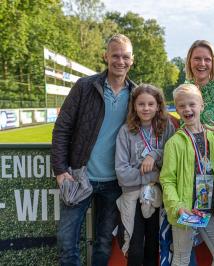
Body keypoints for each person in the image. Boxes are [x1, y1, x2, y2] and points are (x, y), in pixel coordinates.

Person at [51, 33, 136, 265]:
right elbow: (62, 128)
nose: (120, 61)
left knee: (103, 242)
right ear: (105, 56)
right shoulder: (85, 86)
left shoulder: (136, 94)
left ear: (132, 59)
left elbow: (150, 131)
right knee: (66, 240)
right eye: (115, 55)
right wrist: (60, 170)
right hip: (80, 177)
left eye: (125, 56)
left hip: (115, 182)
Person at [159, 84, 214, 266]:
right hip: (185, 211)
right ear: (176, 109)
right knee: (181, 259)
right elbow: (167, 179)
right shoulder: (174, 143)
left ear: (202, 106)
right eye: (181, 106)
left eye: (192, 104)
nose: (187, 109)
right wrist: (177, 207)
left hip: (209, 212)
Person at [115, 84, 175, 266]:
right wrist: (152, 176)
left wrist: (154, 154)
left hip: (158, 195)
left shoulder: (167, 128)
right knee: (135, 247)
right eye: (141, 104)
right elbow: (122, 173)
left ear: (158, 106)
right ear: (134, 106)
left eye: (151, 104)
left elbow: (172, 159)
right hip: (132, 195)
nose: (146, 108)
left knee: (152, 245)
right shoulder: (125, 131)